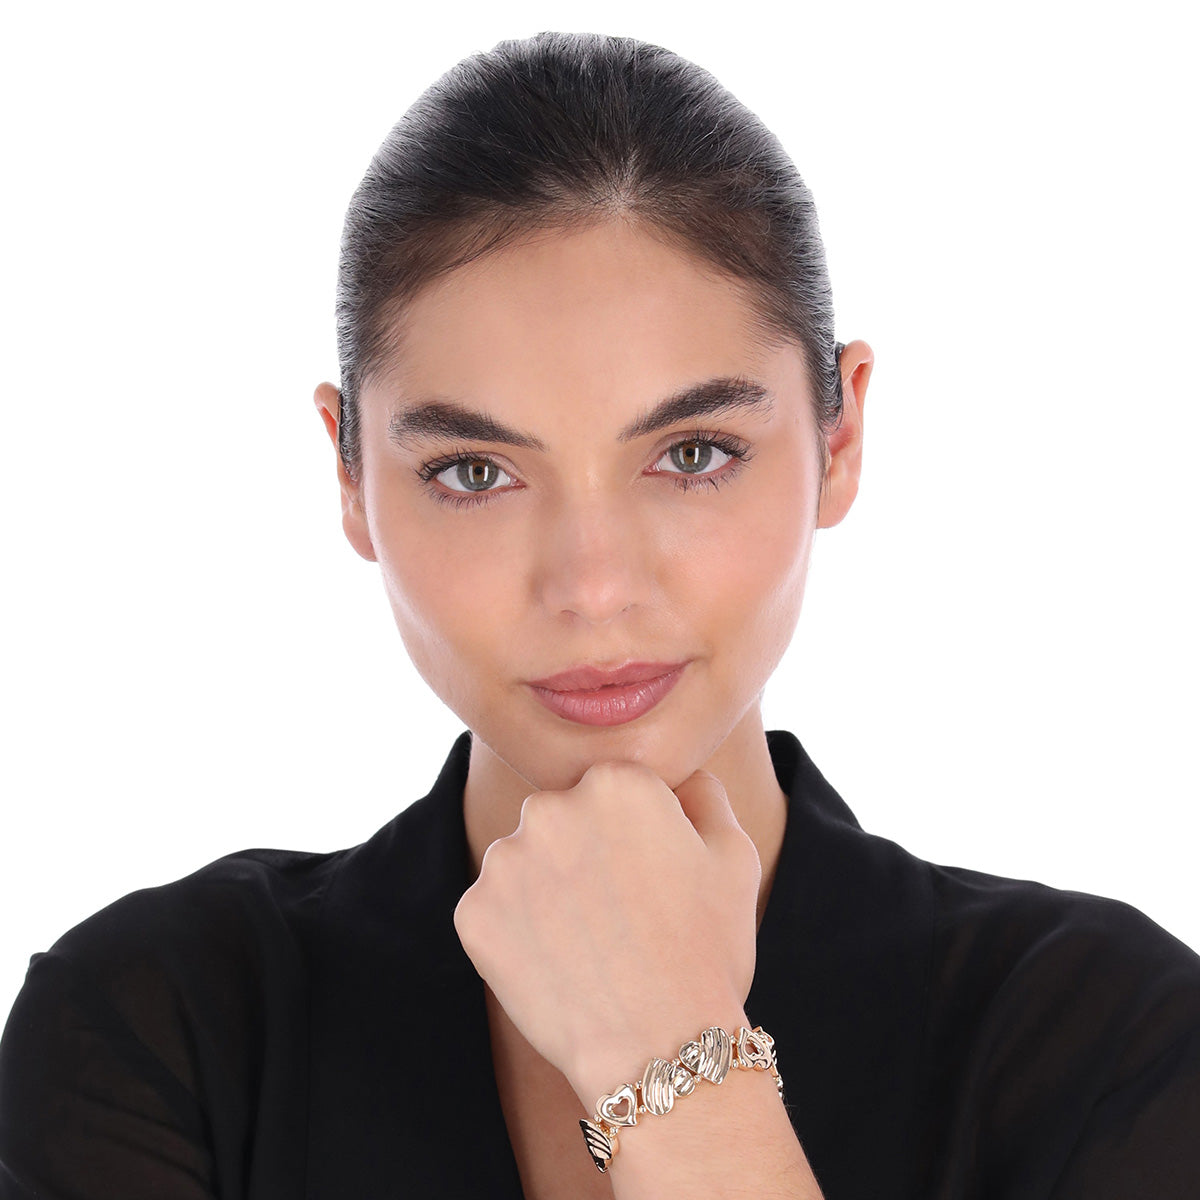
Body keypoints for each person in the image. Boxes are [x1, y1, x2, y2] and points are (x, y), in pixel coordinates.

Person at [1, 29, 1197, 1200]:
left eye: (693, 452)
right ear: (350, 475)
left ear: (840, 440)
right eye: (475, 471)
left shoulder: (1105, 1043)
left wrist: (674, 1064)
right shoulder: (162, 1027)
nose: (592, 586)